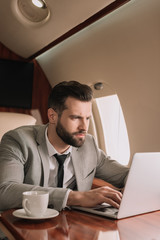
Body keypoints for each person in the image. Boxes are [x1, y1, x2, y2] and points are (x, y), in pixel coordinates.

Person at [0, 81, 129, 212]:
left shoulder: (89, 145)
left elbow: (125, 175)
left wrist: (131, 187)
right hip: (25, 226)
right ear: (52, 116)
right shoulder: (17, 140)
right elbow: (5, 191)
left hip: (71, 225)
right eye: (75, 118)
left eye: (87, 118)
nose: (84, 127)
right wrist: (74, 197)